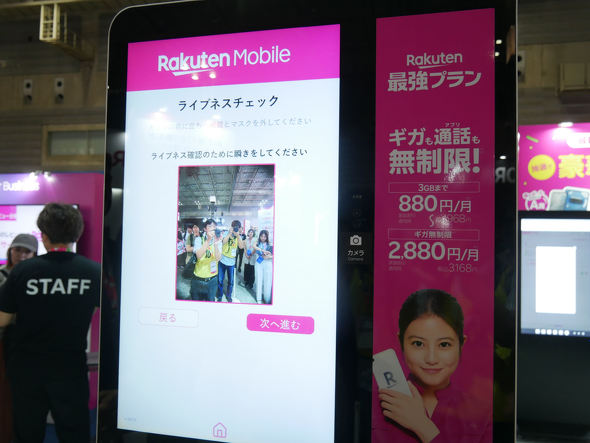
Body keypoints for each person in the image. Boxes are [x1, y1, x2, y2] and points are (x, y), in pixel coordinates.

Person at [0, 203, 100, 443]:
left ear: (43, 235)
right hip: (70, 368)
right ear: (77, 234)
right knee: (74, 433)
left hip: (27, 368)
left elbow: (3, 319)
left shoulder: (22, 271)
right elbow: (100, 310)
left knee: (27, 433)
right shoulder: (92, 271)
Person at [375, 289, 491, 443]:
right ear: (401, 342)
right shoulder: (377, 404)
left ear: (461, 344)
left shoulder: (481, 414)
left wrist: (422, 426)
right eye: (418, 344)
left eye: (444, 344)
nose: (431, 359)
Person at [0, 234, 38, 443]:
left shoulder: (37, 277)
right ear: (10, 250)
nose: (21, 255)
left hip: (28, 342)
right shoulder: (2, 275)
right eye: (18, 250)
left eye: (27, 251)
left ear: (34, 254)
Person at [190, 219, 221, 302]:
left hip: (212, 279)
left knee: (210, 301)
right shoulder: (199, 240)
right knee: (196, 302)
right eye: (210, 226)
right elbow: (199, 255)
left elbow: (218, 258)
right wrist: (208, 240)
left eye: (214, 226)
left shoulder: (218, 241)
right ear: (205, 229)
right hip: (198, 279)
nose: (212, 228)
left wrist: (216, 245)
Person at [217, 220, 244, 302]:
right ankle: (220, 296)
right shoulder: (226, 233)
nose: (235, 228)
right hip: (222, 261)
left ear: (239, 228)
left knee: (231, 282)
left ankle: (229, 296)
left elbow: (241, 247)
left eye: (237, 227)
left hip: (231, 263)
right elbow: (223, 242)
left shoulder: (238, 236)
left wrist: (238, 236)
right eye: (234, 226)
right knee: (220, 280)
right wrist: (229, 233)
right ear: (231, 227)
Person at [254, 230, 273, 304]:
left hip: (268, 263)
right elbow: (254, 246)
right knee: (258, 280)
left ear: (267, 237)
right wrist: (262, 250)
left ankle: (267, 298)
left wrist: (269, 256)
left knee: (267, 280)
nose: (263, 238)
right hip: (259, 262)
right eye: (261, 236)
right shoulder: (257, 243)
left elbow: (274, 255)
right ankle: (258, 298)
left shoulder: (270, 244)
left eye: (265, 236)